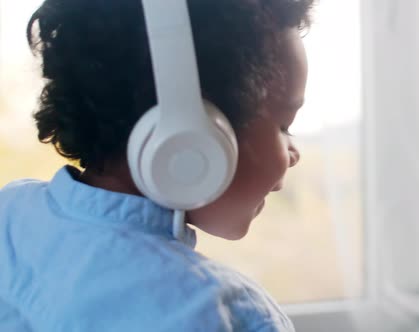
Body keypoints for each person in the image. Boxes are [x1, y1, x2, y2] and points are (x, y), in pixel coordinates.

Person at [0, 0, 312, 330]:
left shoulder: (11, 215)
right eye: (284, 124)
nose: (294, 153)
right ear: (192, 130)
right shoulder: (221, 312)